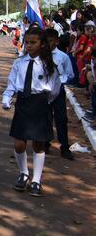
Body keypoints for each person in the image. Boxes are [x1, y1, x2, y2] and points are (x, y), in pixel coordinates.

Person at [1, 26, 61, 197]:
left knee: (38, 143)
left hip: (40, 103)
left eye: (33, 42)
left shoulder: (48, 65)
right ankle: (23, 173)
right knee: (19, 143)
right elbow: (12, 84)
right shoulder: (19, 63)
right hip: (23, 103)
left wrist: (43, 102)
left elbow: (54, 89)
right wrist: (7, 98)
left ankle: (36, 179)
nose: (28, 45)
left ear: (42, 44)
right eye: (26, 42)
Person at [44, 28, 75, 160]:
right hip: (44, 91)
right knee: (46, 118)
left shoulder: (63, 57)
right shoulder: (40, 55)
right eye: (45, 41)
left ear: (56, 41)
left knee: (61, 119)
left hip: (58, 91)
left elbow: (70, 74)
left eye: (50, 41)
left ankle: (64, 146)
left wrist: (61, 80)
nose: (47, 44)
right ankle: (45, 143)